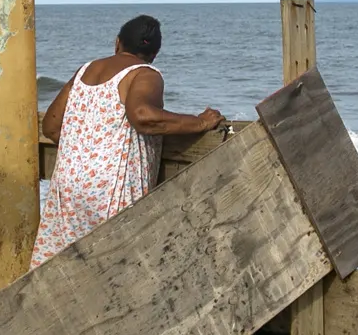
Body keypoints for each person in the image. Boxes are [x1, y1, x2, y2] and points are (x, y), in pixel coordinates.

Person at [31, 14, 222, 268]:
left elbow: (52, 126)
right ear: (154, 54)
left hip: (69, 186)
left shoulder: (85, 70)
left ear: (117, 43)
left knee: (63, 269)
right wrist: (199, 123)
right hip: (111, 190)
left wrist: (88, 147)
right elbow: (143, 116)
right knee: (113, 273)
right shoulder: (145, 73)